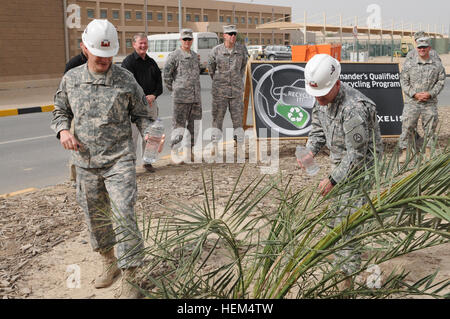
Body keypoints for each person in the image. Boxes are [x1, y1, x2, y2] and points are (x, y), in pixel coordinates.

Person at [51, 19, 154, 299]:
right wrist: (62, 131)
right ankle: (110, 263)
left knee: (124, 214)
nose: (105, 61)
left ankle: (132, 275)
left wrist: (150, 133)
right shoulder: (71, 79)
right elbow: (59, 110)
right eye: (99, 57)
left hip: (119, 160)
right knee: (95, 218)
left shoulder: (125, 80)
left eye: (109, 57)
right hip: (85, 162)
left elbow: (143, 116)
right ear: (85, 49)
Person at [300, 54, 383, 288]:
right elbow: (317, 128)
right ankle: (344, 264)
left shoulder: (354, 108)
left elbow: (357, 156)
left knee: (347, 222)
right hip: (340, 165)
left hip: (362, 170)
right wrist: (310, 151)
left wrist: (332, 180)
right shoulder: (322, 96)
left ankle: (346, 277)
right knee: (338, 218)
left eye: (323, 94)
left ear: (336, 83)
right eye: (315, 95)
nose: (319, 99)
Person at [398, 36, 446, 163]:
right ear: (416, 48)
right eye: (420, 47)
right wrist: (414, 94)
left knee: (430, 128)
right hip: (412, 102)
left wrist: (430, 93)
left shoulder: (437, 65)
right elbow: (403, 81)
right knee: (407, 126)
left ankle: (429, 152)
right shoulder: (409, 64)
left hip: (429, 102)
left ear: (429, 48)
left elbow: (441, 81)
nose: (422, 49)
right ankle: (405, 152)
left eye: (424, 47)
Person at [122, 33, 163, 172]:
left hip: (151, 106)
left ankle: (148, 162)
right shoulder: (128, 63)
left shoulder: (152, 62)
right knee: (132, 138)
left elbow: (159, 84)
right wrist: (141, 98)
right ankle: (130, 167)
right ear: (134, 45)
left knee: (152, 135)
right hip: (133, 108)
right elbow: (128, 86)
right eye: (140, 43)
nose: (143, 46)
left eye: (145, 43)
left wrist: (154, 95)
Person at [207, 25, 248, 157]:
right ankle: (215, 146)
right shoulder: (216, 51)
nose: (233, 36)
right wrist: (220, 82)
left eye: (234, 34)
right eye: (230, 34)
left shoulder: (241, 50)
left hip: (236, 92)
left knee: (238, 121)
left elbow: (243, 67)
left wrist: (236, 79)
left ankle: (239, 147)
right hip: (220, 92)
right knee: (217, 120)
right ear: (224, 35)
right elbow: (211, 69)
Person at [163, 29, 202, 163]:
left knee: (194, 127)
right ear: (180, 40)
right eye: (184, 39)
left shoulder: (195, 56)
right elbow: (166, 76)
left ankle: (189, 152)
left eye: (189, 39)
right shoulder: (174, 56)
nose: (187, 42)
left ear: (192, 40)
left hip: (195, 98)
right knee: (178, 127)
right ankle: (175, 153)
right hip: (180, 98)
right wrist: (175, 90)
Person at [63, 42, 88, 187]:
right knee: (75, 146)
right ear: (82, 46)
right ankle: (74, 178)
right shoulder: (74, 64)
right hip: (76, 113)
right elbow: (65, 90)